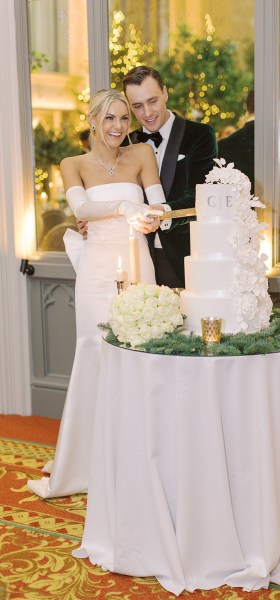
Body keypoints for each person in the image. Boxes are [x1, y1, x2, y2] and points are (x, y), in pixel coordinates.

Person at [27, 89, 166, 499]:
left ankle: (142, 451)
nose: (118, 127)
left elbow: (158, 206)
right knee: (94, 349)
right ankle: (87, 455)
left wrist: (151, 219)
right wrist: (124, 208)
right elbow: (83, 211)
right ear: (92, 120)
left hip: (137, 259)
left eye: (125, 118)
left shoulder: (142, 155)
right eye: (110, 118)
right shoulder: (73, 164)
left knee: (143, 349)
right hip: (96, 268)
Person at [122, 66, 218, 287]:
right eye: (137, 106)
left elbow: (200, 195)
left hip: (184, 255)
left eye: (153, 101)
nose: (147, 113)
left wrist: (163, 212)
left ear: (165, 93)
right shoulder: (126, 142)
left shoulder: (200, 135)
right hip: (135, 256)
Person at [218, 90, 280, 262]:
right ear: (275, 107)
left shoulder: (225, 145)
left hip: (239, 238)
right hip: (278, 238)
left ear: (248, 108)